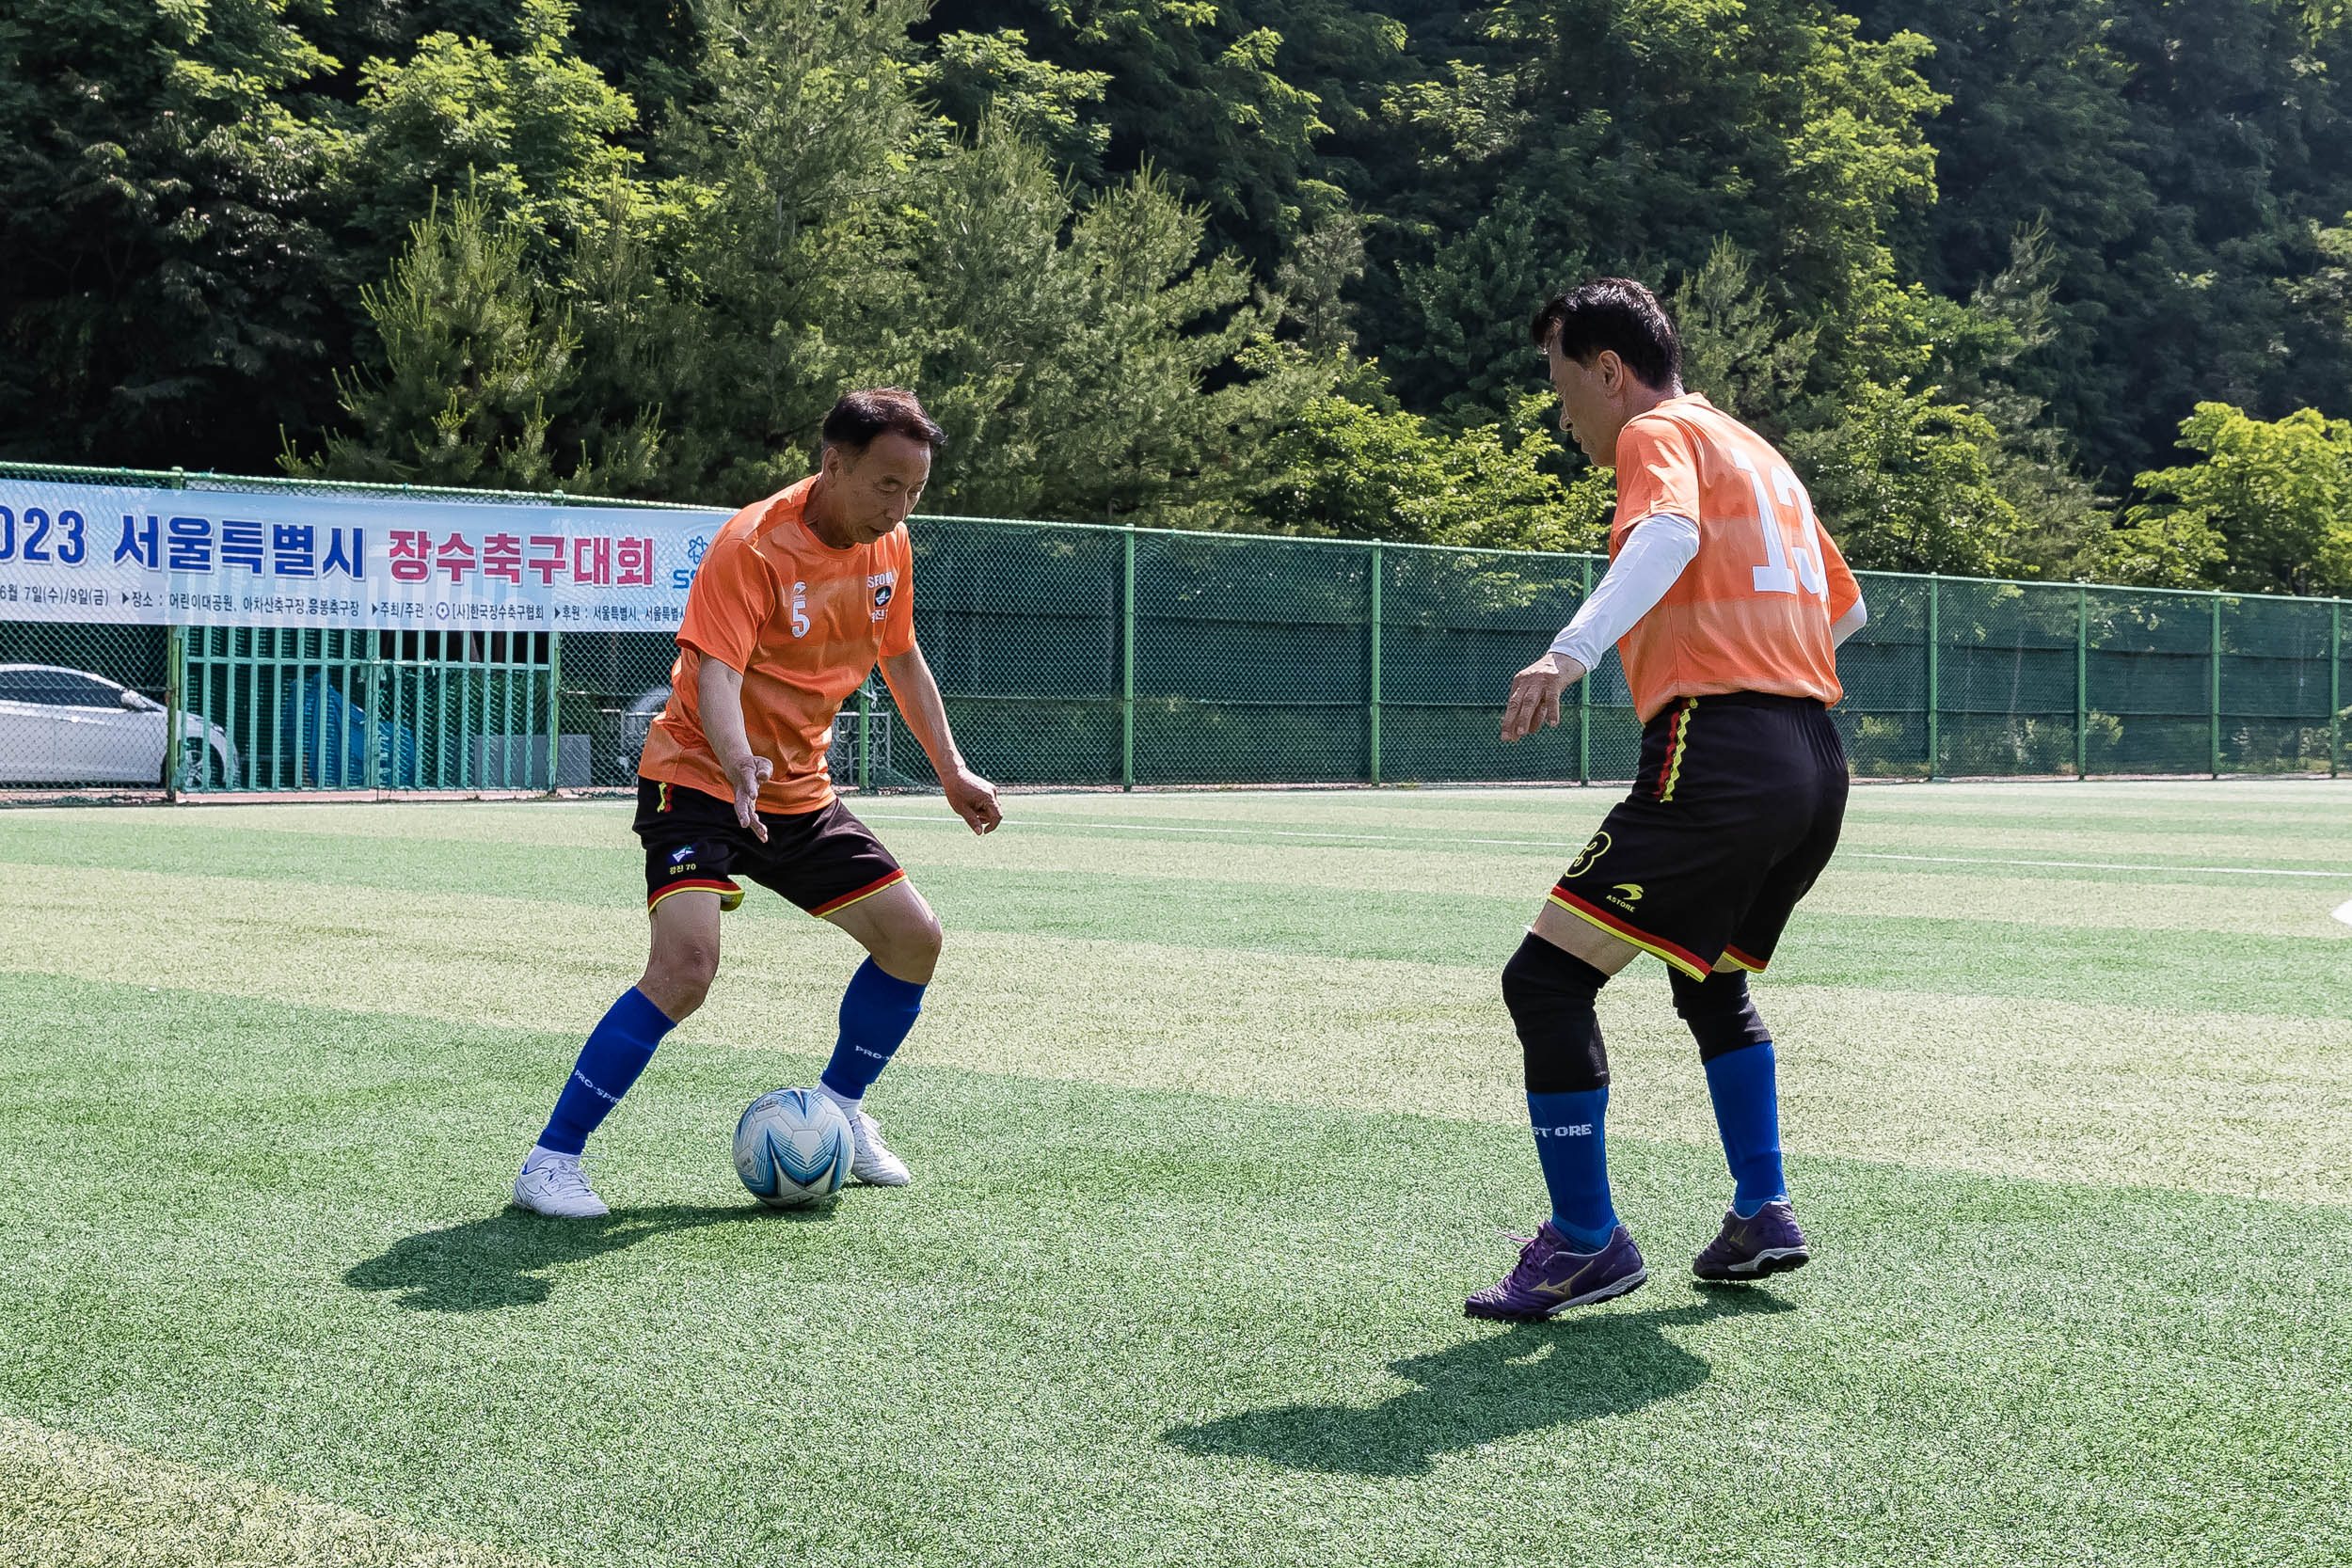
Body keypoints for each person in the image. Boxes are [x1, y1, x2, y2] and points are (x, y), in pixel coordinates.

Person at [1465, 279, 1868, 1320]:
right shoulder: (1759, 452)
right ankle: (1759, 1209)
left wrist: (1569, 652)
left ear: (1610, 370)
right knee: (1709, 980)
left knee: (1545, 981)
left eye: (1564, 391)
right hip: (1813, 757)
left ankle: (1585, 1242)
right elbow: (1847, 607)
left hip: (1721, 751)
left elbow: (1668, 539)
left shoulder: (1657, 433)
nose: (1566, 419)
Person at [513, 387, 1002, 1218]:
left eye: (916, 489)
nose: (901, 504)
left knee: (914, 938)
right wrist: (738, 760)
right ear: (834, 462)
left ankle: (842, 1106)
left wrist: (951, 769)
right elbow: (716, 671)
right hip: (699, 779)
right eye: (888, 484)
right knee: (685, 968)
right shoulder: (753, 544)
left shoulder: (892, 547)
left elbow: (902, 656)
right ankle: (550, 1160)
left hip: (798, 790)